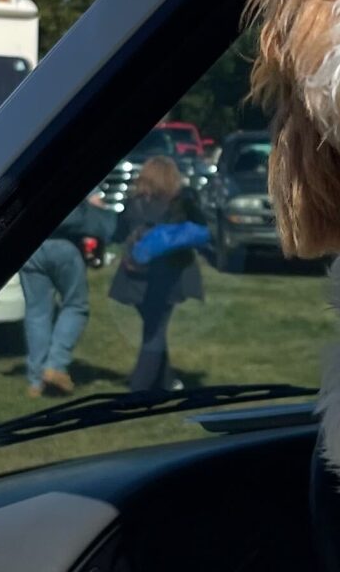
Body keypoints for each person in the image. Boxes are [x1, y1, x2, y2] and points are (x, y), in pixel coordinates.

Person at [107, 154, 209, 394]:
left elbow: (118, 233)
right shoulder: (177, 205)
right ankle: (139, 390)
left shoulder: (135, 204)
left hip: (134, 277)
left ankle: (165, 382)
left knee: (153, 328)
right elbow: (199, 230)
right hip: (166, 279)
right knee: (155, 333)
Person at [20, 202, 102, 395]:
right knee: (75, 306)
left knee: (36, 312)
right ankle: (56, 365)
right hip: (66, 243)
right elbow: (96, 201)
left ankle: (36, 380)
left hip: (31, 245)